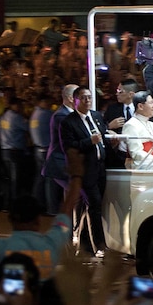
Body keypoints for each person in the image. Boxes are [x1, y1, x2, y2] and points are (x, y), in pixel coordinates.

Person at [0, 149, 82, 287]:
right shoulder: (52, 243)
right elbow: (67, 210)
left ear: (11, 219)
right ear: (38, 220)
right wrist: (77, 176)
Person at [59, 87, 110, 257]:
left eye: (89, 97)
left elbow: (103, 135)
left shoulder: (95, 116)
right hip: (84, 171)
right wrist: (89, 141)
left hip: (100, 168)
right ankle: (100, 246)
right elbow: (69, 146)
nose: (88, 100)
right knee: (94, 205)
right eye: (83, 98)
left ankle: (85, 244)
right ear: (75, 100)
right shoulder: (68, 122)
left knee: (93, 207)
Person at [41, 84, 78, 215]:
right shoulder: (61, 116)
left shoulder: (69, 114)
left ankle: (70, 228)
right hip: (60, 162)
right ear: (70, 98)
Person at [0, 97, 29, 211]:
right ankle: (14, 205)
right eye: (19, 105)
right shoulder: (16, 117)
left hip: (4, 150)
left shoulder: (4, 116)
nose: (21, 107)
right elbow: (28, 127)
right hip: (14, 151)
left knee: (8, 179)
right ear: (14, 105)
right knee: (15, 180)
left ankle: (6, 204)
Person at [103, 78, 139, 168]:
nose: (117, 94)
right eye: (117, 90)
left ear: (130, 94)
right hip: (118, 152)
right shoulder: (112, 109)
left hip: (137, 149)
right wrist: (110, 126)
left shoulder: (141, 108)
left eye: (120, 91)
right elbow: (100, 127)